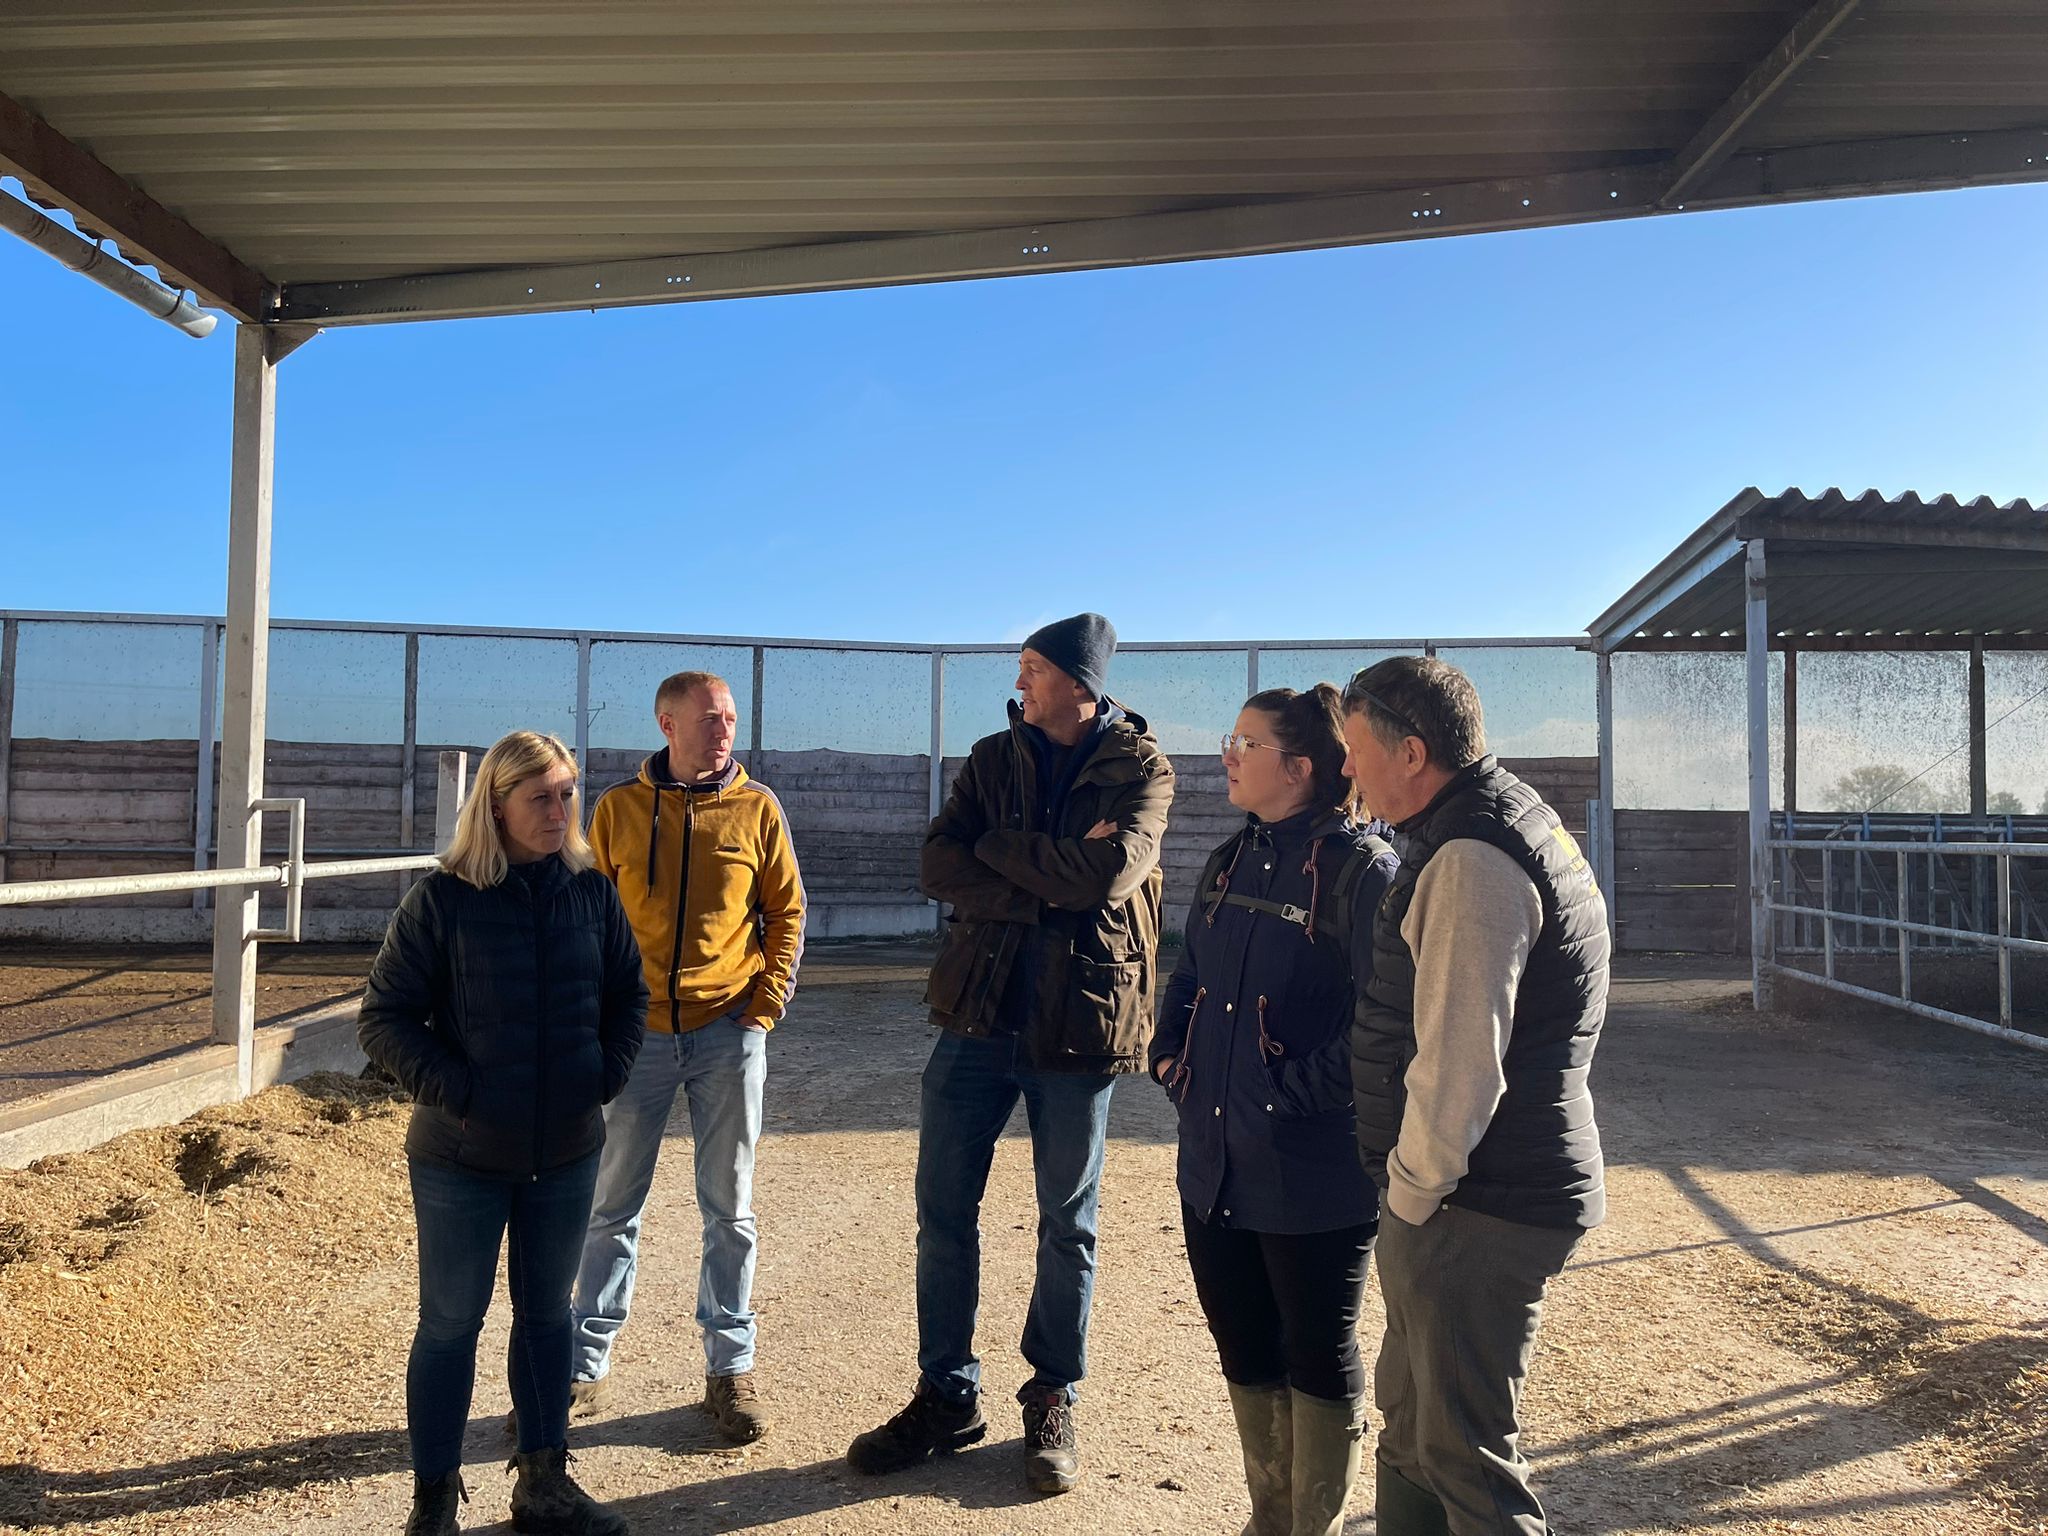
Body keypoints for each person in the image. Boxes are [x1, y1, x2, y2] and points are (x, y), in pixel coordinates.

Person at [847, 613, 1175, 1494]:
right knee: (943, 1211)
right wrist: (1044, 872)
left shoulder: (1142, 768)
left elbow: (1108, 878)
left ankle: (1053, 1392)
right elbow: (936, 864)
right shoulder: (994, 758)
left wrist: (999, 851)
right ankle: (947, 1395)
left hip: (1080, 1025)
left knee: (1069, 1222)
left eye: (1034, 668)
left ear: (1080, 682)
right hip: (977, 1016)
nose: (1020, 680)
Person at [1339, 657, 1608, 1536]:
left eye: (1354, 750)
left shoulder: (1469, 858)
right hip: (1482, 1189)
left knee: (1465, 1457)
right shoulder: (1507, 820)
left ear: (1411, 753)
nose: (1347, 770)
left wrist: (1412, 1192)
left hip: (1473, 1200)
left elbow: (1463, 1059)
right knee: (1416, 1426)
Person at [358, 730, 646, 1536]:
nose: (559, 812)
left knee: (549, 1315)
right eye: (541, 797)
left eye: (566, 794)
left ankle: (545, 1485)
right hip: (462, 1156)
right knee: (450, 1323)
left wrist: (603, 1074)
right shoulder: (443, 900)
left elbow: (629, 993)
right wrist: (461, 1091)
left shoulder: (590, 893)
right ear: (496, 804)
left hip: (565, 1151)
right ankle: (432, 1503)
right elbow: (383, 1020)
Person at [1149, 685, 1398, 1536]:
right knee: (1245, 1347)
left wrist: (1280, 1097)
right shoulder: (1229, 859)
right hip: (1213, 1159)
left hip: (1314, 1173)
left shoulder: (1363, 871)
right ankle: (1271, 1517)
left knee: (1315, 1355)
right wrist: (1168, 1053)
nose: (1226, 754)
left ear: (1297, 768)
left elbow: (1385, 1021)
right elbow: (1191, 971)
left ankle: (1310, 1527)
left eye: (1244, 743)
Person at [566, 670, 806, 1444]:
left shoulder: (757, 808)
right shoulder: (619, 811)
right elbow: (587, 916)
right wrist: (602, 1014)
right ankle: (583, 1365)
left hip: (727, 1035)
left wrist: (761, 1008)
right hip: (637, 1039)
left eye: (730, 717)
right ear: (666, 722)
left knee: (729, 1210)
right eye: (709, 718)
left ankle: (729, 1369)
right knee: (611, 1207)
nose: (724, 729)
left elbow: (785, 910)